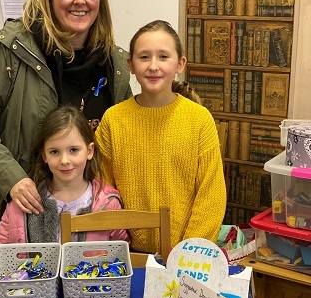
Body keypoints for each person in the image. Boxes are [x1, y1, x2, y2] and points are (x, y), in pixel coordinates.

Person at [0, 0, 132, 298]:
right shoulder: (10, 50)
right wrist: (13, 179)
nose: (79, 0)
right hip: (17, 208)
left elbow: (122, 132)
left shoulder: (114, 62)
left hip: (87, 213)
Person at [95, 19, 226, 256]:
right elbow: (103, 192)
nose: (153, 66)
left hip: (185, 256)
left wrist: (188, 252)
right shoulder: (113, 120)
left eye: (163, 57)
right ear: (130, 65)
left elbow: (211, 194)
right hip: (126, 254)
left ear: (180, 64)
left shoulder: (199, 119)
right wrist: (116, 245)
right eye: (144, 57)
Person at [0, 105, 130, 246]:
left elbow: (120, 256)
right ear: (44, 155)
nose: (64, 161)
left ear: (89, 151)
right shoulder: (24, 200)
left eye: (73, 150)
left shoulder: (109, 203)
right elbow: (0, 254)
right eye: (54, 152)